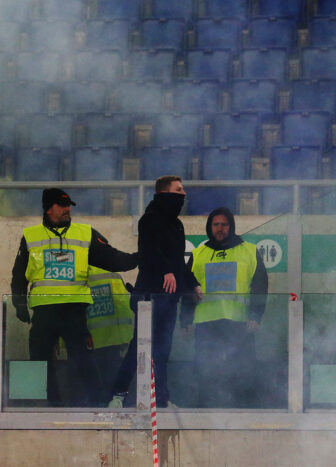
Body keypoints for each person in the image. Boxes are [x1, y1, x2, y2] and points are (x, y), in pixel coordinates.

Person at [11, 188, 137, 406]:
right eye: (62, 205)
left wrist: (139, 257)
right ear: (48, 209)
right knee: (39, 360)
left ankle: (98, 404)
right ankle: (45, 406)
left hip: (74, 311)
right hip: (44, 310)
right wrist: (19, 303)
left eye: (69, 205)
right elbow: (19, 275)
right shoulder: (31, 235)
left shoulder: (85, 233)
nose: (68, 209)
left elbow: (113, 259)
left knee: (84, 360)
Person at [109, 175, 200, 409]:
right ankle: (118, 395)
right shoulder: (149, 219)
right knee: (139, 347)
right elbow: (148, 252)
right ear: (164, 193)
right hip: (149, 297)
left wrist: (192, 283)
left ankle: (161, 399)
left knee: (163, 350)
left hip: (169, 299)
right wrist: (165, 271)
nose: (183, 194)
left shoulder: (177, 225)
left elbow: (178, 261)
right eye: (178, 190)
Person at [180, 207, 268, 408]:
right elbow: (187, 288)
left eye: (224, 224)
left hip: (239, 322)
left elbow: (260, 287)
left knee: (242, 370)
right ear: (209, 227)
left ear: (232, 226)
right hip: (206, 323)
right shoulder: (198, 254)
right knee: (205, 370)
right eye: (216, 224)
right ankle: (206, 409)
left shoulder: (249, 251)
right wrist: (185, 320)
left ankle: (243, 409)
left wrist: (255, 316)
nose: (220, 228)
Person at [86, 267, 134, 405]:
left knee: (94, 383)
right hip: (114, 338)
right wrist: (125, 336)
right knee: (114, 379)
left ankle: (99, 406)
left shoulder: (83, 272)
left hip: (92, 339)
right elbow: (123, 305)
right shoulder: (113, 272)